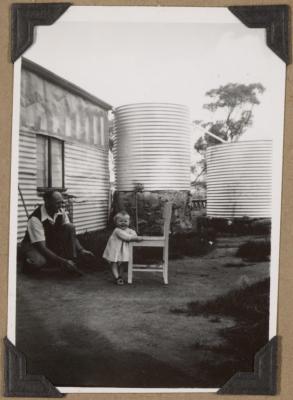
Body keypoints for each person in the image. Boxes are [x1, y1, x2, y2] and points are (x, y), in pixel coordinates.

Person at [21, 190, 94, 275]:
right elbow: (42, 248)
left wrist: (82, 250)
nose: (61, 206)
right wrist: (63, 261)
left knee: (70, 227)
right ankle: (27, 263)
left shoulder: (61, 212)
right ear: (47, 202)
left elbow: (71, 234)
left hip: (48, 241)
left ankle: (72, 263)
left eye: (62, 202)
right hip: (33, 245)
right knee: (39, 262)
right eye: (58, 203)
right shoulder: (35, 219)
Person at [103, 211, 143, 285]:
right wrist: (136, 239)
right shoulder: (117, 230)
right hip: (114, 249)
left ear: (129, 222)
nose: (123, 223)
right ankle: (117, 277)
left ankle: (120, 276)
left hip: (122, 250)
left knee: (122, 263)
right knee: (114, 263)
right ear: (116, 222)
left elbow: (133, 234)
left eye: (125, 221)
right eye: (120, 221)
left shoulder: (129, 230)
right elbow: (127, 237)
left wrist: (135, 236)